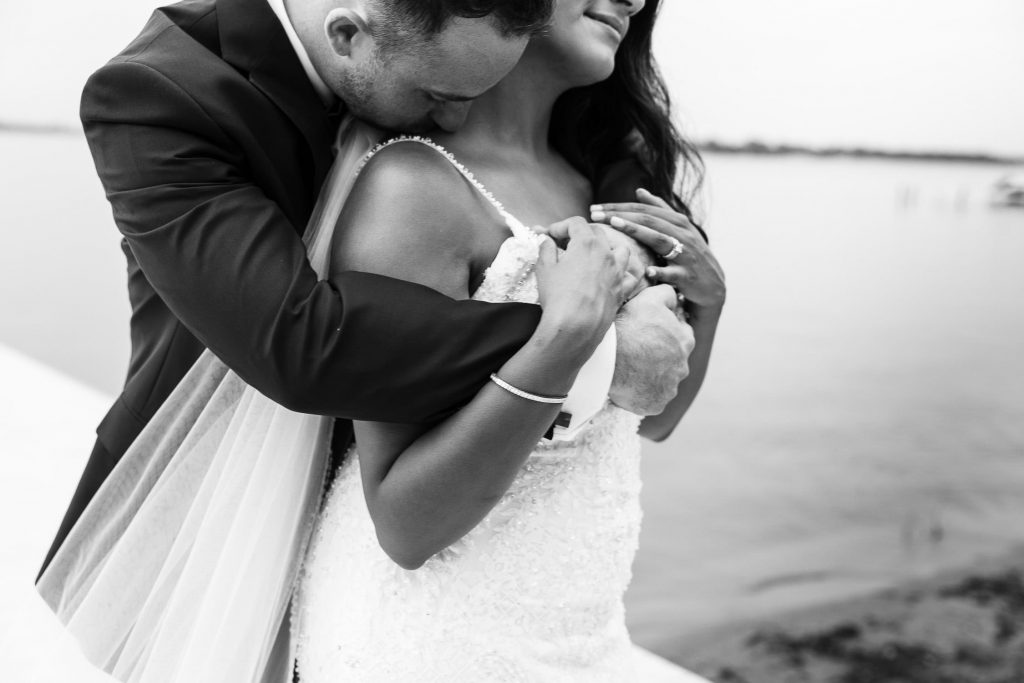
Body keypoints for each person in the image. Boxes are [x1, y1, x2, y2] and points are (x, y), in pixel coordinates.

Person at [37, 0, 685, 581]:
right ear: (346, 35)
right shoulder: (157, 95)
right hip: (205, 506)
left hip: (388, 524)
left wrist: (681, 263)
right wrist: (584, 342)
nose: (456, 115)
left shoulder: (441, 53)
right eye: (438, 94)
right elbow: (301, 342)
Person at [290, 0, 725, 679]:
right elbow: (406, 525)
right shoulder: (415, 186)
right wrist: (570, 341)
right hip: (434, 639)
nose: (637, 1)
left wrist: (711, 301)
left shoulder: (605, 182)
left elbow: (655, 417)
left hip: (583, 637)